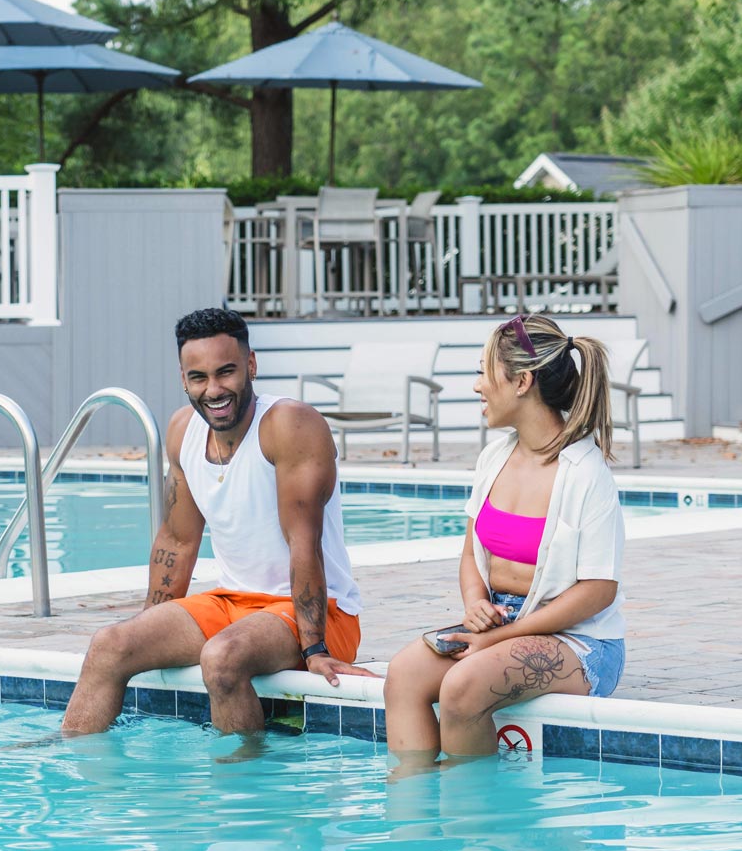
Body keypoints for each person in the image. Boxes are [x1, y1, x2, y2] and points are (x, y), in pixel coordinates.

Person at [61, 307, 373, 736]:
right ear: (183, 377)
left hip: (318, 614)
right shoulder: (182, 430)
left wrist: (315, 647)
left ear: (251, 365)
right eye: (199, 377)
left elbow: (304, 541)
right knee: (110, 645)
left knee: (221, 658)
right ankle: (72, 772)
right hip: (232, 603)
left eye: (226, 372)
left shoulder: (289, 424)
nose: (214, 390)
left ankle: (241, 787)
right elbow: (177, 539)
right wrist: (148, 629)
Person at [384, 314, 626, 760]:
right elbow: (472, 552)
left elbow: (598, 591)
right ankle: (413, 816)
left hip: (580, 640)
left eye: (483, 370)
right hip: (502, 622)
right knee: (403, 674)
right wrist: (475, 603)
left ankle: (475, 823)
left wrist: (495, 640)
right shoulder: (493, 457)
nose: (477, 385)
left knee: (462, 688)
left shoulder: (585, 474)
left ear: (521, 382)